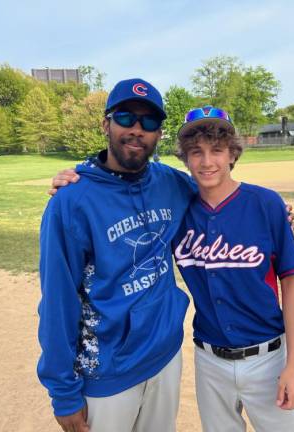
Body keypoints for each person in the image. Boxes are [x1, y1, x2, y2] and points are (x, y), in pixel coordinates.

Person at [37, 78, 197, 432]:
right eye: (126, 117)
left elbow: (219, 194)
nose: (137, 130)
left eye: (149, 122)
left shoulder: (171, 183)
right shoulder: (71, 201)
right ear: (105, 123)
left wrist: (272, 207)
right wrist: (63, 393)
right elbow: (57, 302)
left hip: (165, 355)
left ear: (159, 134)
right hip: (106, 372)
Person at [173, 106, 294, 431]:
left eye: (217, 150)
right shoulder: (176, 209)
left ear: (232, 154)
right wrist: (78, 177)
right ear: (185, 159)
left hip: (268, 358)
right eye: (196, 152)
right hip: (209, 360)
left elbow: (292, 282)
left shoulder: (266, 204)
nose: (207, 162)